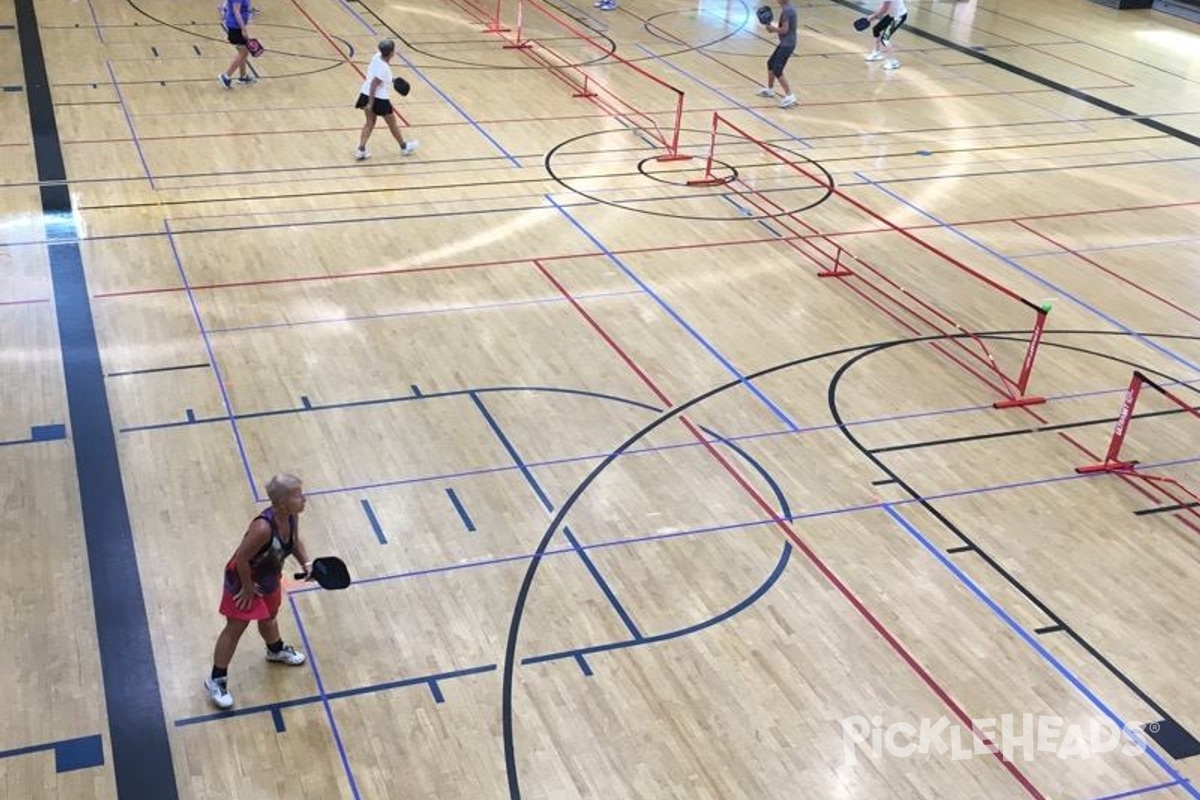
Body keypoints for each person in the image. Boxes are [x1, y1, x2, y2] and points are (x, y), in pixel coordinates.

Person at [205, 473, 312, 710]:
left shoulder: (292, 517)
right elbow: (241, 558)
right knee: (235, 628)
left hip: (269, 577)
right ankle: (216, 679)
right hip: (242, 581)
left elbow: (293, 541)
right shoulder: (263, 527)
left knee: (269, 618)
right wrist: (245, 587)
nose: (304, 498)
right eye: (298, 495)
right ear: (282, 502)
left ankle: (275, 651)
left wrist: (307, 564)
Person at [355, 39, 419, 161]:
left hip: (364, 92)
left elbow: (378, 76)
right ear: (391, 52)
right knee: (392, 123)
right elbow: (374, 84)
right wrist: (371, 103)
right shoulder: (385, 69)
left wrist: (391, 80)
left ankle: (361, 150)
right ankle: (404, 147)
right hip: (378, 99)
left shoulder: (376, 56)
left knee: (369, 123)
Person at [756, 0, 797, 109]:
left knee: (777, 69)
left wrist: (772, 29)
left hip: (787, 44)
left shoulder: (787, 11)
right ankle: (770, 90)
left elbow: (784, 30)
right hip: (785, 43)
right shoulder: (787, 9)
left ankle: (790, 95)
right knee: (771, 63)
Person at [218, 0, 257, 88]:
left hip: (237, 26)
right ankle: (226, 76)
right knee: (243, 53)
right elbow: (236, 12)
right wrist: (243, 29)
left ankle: (243, 77)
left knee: (244, 52)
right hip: (235, 27)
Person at [864, 0, 908, 70]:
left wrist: (874, 16)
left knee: (885, 38)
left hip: (899, 16)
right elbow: (883, 6)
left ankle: (893, 62)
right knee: (876, 29)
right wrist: (875, 15)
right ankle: (877, 53)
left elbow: (885, 8)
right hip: (892, 14)